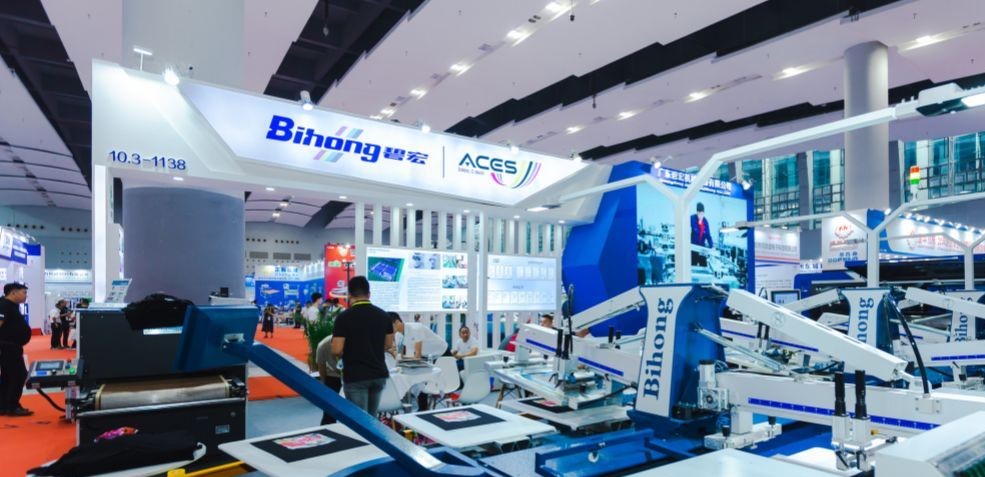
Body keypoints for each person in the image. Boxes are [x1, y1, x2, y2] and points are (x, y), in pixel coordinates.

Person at [331, 277, 393, 416]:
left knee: (359, 419)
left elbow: (336, 349)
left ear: (349, 295)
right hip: (378, 373)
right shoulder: (384, 315)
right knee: (371, 418)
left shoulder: (344, 317)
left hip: (356, 375)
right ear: (369, 294)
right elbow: (389, 344)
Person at [0, 283, 33, 416]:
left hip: (11, 346)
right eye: (23, 292)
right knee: (18, 375)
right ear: (13, 292)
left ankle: (4, 406)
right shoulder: (4, 305)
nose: (26, 295)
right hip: (7, 347)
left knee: (8, 376)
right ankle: (12, 406)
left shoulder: (11, 305)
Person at [315, 333, 342, 424]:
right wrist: (324, 384)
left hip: (352, 375)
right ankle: (327, 425)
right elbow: (321, 366)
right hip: (333, 375)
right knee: (330, 410)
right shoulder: (322, 346)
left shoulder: (352, 342)